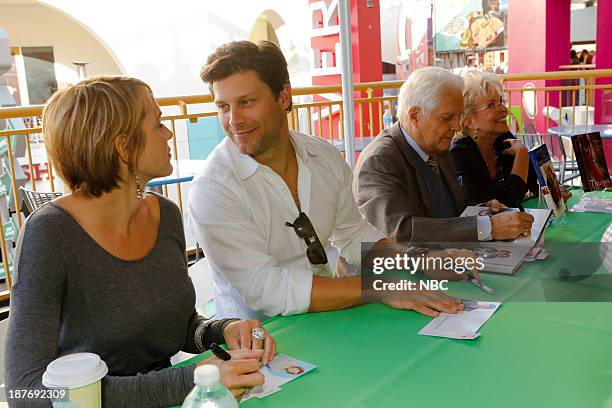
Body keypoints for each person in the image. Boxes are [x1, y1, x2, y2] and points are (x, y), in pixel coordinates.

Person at [4, 76, 276, 407]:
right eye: (158, 124)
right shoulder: (50, 234)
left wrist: (226, 330)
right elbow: (27, 391)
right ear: (124, 146)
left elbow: (177, 328)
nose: (169, 133)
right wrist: (186, 382)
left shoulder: (166, 215)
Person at [188, 41, 470, 323]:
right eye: (223, 106)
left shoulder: (323, 155)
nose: (233, 120)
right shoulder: (212, 187)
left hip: (328, 321)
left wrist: (419, 262)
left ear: (284, 96)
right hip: (257, 344)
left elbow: (353, 235)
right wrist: (380, 287)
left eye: (246, 102)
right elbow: (267, 290)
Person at [353, 67, 534, 244]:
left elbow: (453, 207)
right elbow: (401, 230)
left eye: (459, 116)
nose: (456, 126)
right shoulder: (380, 160)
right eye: (447, 118)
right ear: (415, 116)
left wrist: (484, 211)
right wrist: (486, 227)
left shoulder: (436, 146)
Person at [451, 70, 548, 207]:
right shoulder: (460, 154)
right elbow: (503, 203)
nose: (503, 108)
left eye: (501, 101)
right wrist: (522, 154)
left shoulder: (501, 138)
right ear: (469, 120)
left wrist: (553, 192)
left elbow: (532, 181)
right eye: (491, 105)